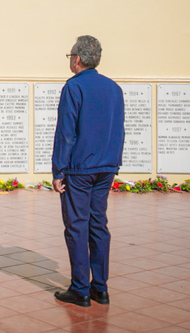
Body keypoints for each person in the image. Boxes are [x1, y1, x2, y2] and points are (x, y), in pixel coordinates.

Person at [51, 36, 124, 307]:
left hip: (79, 168)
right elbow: (119, 128)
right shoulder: (114, 88)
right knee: (98, 224)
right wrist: (114, 163)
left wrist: (59, 170)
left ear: (77, 59)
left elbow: (67, 133)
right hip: (106, 165)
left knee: (77, 225)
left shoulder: (74, 87)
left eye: (70, 56)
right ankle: (100, 288)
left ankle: (80, 289)